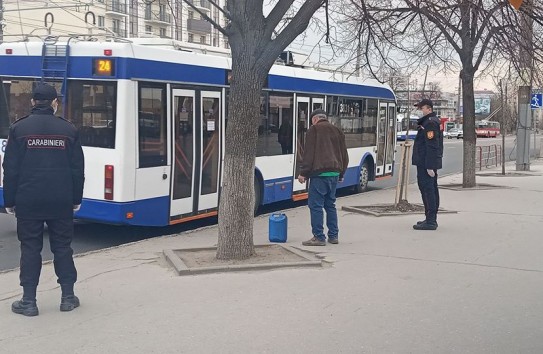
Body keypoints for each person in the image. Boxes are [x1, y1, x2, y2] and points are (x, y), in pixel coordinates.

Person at [2, 83, 85, 316]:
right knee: (62, 248)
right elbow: (77, 170)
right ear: (54, 103)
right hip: (61, 201)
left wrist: (9, 201)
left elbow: (10, 169)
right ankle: (68, 297)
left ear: (32, 102)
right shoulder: (68, 130)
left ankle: (29, 301)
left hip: (28, 201)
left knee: (30, 249)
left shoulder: (19, 129)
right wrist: (75, 199)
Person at [297, 109, 348, 246]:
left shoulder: (314, 130)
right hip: (334, 174)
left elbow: (309, 154)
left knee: (315, 205)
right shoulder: (337, 131)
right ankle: (333, 236)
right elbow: (344, 155)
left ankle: (319, 237)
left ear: (314, 120)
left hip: (319, 175)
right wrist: (341, 173)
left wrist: (303, 173)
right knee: (330, 205)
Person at [411, 99, 443, 231]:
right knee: (429, 189)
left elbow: (432, 146)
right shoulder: (430, 122)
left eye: (422, 108)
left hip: (426, 163)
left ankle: (431, 220)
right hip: (426, 162)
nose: (420, 111)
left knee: (428, 189)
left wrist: (430, 166)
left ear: (428, 109)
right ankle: (429, 218)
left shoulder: (430, 123)